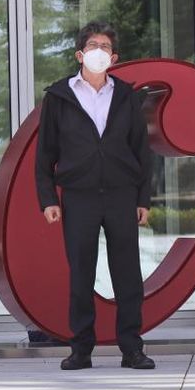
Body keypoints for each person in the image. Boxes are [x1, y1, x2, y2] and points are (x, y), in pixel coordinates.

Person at [35, 21, 155, 371]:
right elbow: (45, 155)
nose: (99, 51)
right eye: (93, 45)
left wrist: (143, 199)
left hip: (121, 194)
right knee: (81, 274)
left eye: (105, 46)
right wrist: (48, 200)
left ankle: (132, 348)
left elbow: (141, 152)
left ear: (113, 57)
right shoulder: (59, 97)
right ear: (80, 53)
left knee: (127, 273)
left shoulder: (127, 96)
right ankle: (81, 349)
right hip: (78, 196)